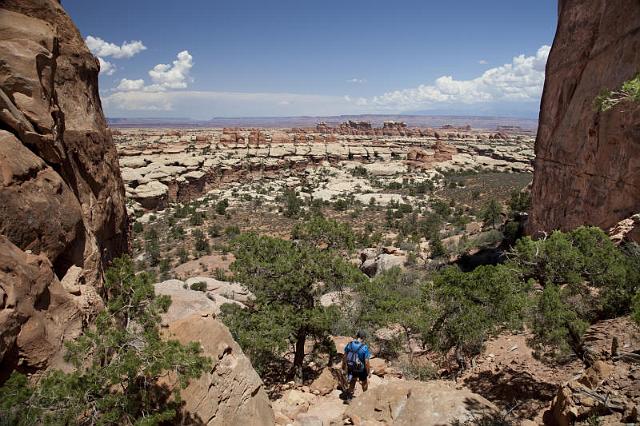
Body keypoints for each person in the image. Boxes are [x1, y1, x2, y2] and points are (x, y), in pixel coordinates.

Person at [342, 330, 371, 401]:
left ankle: (349, 397)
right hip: (361, 369)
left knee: (353, 381)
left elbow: (345, 356)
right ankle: (365, 397)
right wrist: (368, 372)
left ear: (357, 336)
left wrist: (343, 366)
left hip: (351, 367)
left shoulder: (350, 344)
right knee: (364, 382)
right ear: (363, 338)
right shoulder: (364, 347)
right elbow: (366, 362)